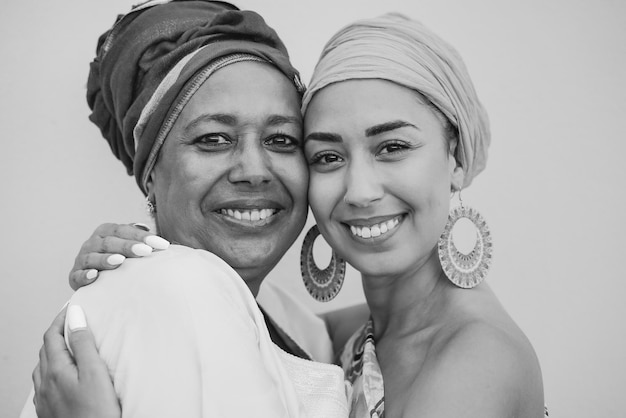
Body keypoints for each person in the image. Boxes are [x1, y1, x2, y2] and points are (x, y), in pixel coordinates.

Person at [22, 1, 352, 417]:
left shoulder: (284, 314)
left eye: (281, 140)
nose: (254, 170)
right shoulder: (181, 286)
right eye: (213, 139)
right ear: (151, 174)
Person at [300, 13, 546, 417]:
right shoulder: (364, 330)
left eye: (392, 147)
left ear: (457, 160)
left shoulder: (477, 361)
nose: (360, 192)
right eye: (328, 157)